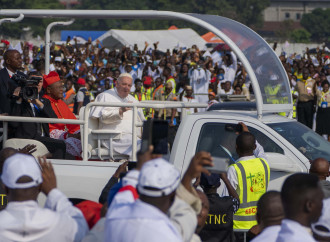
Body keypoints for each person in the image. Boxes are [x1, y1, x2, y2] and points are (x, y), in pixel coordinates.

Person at [0, 154, 88, 241]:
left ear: (5, 187)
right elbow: (81, 226)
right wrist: (53, 192)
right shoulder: (59, 224)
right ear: (40, 187)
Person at [222, 126, 270, 234]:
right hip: (259, 226)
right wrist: (247, 132)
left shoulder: (234, 169)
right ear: (254, 147)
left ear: (236, 147)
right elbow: (260, 150)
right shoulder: (264, 163)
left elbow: (226, 200)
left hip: (240, 228)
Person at [10, 71, 67, 159]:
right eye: (33, 81)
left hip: (43, 138)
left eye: (39, 81)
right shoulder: (20, 100)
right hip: (29, 139)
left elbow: (54, 119)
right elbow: (14, 124)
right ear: (27, 82)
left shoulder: (44, 101)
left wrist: (37, 102)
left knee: (70, 156)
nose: (36, 84)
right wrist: (18, 99)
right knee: (60, 145)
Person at [90, 73, 145, 159]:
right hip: (113, 137)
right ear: (117, 83)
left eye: (129, 85)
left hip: (133, 137)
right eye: (124, 84)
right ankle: (134, 170)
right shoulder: (105, 96)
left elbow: (141, 121)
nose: (126, 88)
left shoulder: (133, 100)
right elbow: (103, 118)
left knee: (156, 146)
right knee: (141, 147)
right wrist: (120, 111)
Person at [43, 71, 81, 158]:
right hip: (56, 138)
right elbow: (50, 130)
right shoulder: (44, 103)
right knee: (73, 143)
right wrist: (69, 135)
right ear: (49, 90)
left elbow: (74, 124)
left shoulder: (61, 102)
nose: (62, 90)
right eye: (59, 87)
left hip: (69, 135)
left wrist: (80, 133)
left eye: (62, 87)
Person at [276, 173, 324, 242]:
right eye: (321, 200)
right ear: (309, 205)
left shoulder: (280, 234)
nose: (323, 205)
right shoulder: (301, 239)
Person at [199, 173, 240, 242]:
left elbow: (184, 202)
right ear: (219, 185)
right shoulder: (228, 204)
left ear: (200, 184)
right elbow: (237, 200)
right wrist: (225, 179)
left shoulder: (197, 205)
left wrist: (195, 184)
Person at [0, 49, 21, 114]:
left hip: (20, 118)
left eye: (20, 58)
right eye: (17, 59)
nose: (20, 61)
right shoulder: (1, 75)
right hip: (4, 119)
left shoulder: (24, 76)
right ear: (8, 61)